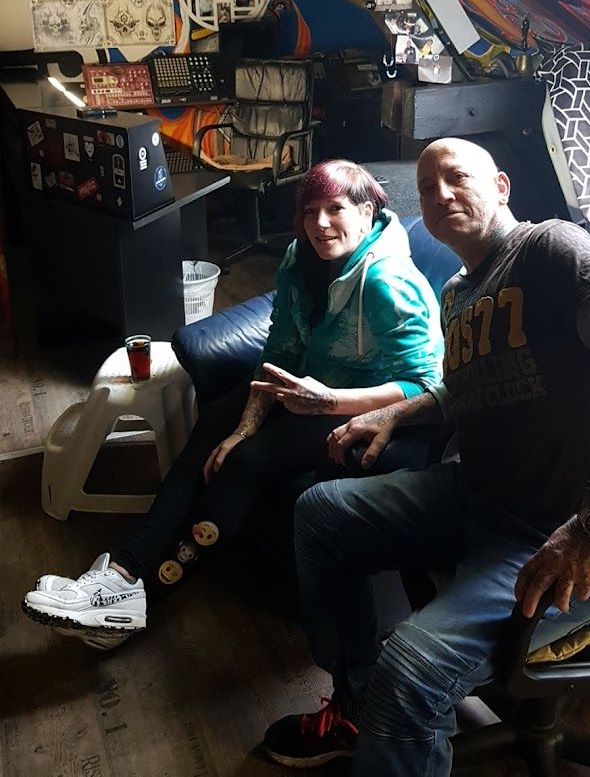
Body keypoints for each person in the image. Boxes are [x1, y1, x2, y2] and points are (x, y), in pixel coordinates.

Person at [263, 137, 590, 774]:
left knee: (411, 671)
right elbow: (467, 385)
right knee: (319, 513)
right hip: (476, 494)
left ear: (501, 186)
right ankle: (357, 705)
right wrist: (399, 410)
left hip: (560, 535)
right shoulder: (456, 292)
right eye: (426, 187)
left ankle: (392, 711)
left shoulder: (551, 249)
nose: (441, 193)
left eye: (457, 177)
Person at [23, 160, 443, 650]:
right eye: (311, 211)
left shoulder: (388, 282)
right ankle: (120, 574)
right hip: (301, 385)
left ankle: (141, 600)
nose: (321, 223)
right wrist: (245, 425)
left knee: (244, 462)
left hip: (354, 403)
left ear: (367, 211)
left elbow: (426, 385)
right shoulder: (299, 258)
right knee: (213, 432)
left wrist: (327, 401)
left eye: (335, 209)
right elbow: (280, 348)